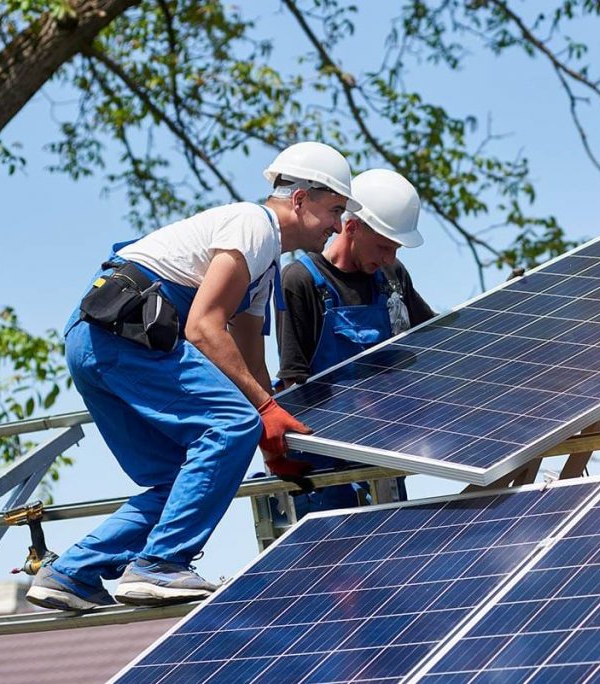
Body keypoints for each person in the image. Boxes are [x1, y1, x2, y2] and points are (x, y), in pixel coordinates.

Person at [27, 142, 360, 611]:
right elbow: (204, 327)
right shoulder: (253, 226)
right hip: (129, 338)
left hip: (94, 341)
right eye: (334, 209)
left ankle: (72, 573)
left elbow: (247, 353)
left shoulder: (263, 266)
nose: (335, 224)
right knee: (228, 427)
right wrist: (260, 414)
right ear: (300, 200)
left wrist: (270, 431)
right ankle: (160, 564)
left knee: (179, 480)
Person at [274, 168, 434, 517]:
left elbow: (434, 342)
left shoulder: (393, 276)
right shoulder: (300, 280)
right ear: (351, 227)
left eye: (395, 249)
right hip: (324, 462)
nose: (389, 259)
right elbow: (292, 383)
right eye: (383, 247)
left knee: (395, 548)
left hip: (383, 447)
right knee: (338, 563)